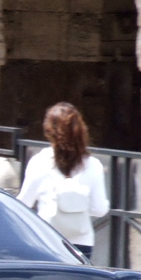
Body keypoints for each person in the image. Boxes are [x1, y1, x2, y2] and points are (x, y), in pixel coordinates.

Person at [16, 102, 110, 260]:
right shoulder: (93, 165)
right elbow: (100, 209)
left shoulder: (40, 161)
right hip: (82, 243)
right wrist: (75, 204)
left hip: (47, 239)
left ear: (48, 130)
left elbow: (23, 204)